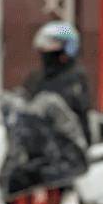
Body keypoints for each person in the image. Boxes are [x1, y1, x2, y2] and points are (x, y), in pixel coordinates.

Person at [21, 20, 93, 148]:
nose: (46, 51)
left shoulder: (74, 79)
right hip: (37, 143)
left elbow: (74, 114)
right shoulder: (37, 77)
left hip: (66, 147)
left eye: (52, 44)